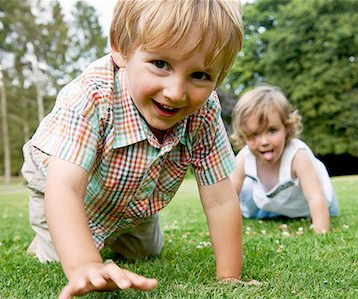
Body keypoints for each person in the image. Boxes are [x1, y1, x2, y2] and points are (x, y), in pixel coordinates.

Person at [21, 1, 245, 298]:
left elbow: (220, 200)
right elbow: (64, 189)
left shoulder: (203, 113)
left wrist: (229, 277)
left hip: (131, 198)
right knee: (59, 255)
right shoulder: (90, 95)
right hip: (63, 182)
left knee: (147, 252)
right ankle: (41, 242)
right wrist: (86, 265)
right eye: (161, 64)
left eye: (200, 75)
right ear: (121, 47)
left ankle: (117, 232)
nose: (176, 93)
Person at [229, 85, 339, 234]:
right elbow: (228, 196)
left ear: (287, 128)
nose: (264, 142)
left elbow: (315, 197)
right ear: (243, 135)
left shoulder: (297, 155)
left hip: (311, 203)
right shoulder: (244, 156)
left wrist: (321, 232)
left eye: (272, 130)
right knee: (246, 194)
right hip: (274, 203)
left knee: (325, 208)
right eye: (253, 134)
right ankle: (273, 210)